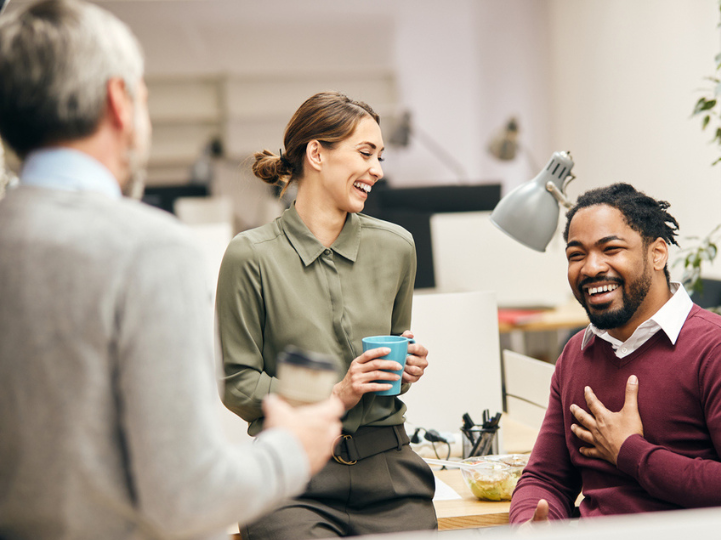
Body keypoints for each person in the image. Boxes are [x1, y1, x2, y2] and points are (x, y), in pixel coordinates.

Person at [0, 2, 345, 539]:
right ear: (119, 101)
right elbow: (187, 498)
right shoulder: (151, 251)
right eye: (144, 96)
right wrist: (291, 450)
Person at [216, 91, 436, 539]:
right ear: (316, 153)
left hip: (390, 471)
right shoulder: (251, 256)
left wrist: (405, 367)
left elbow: (391, 361)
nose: (377, 169)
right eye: (365, 152)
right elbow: (238, 383)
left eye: (380, 156)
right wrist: (336, 395)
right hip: (291, 478)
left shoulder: (397, 247)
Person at [508, 184, 721, 524]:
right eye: (576, 255)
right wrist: (530, 525)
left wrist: (630, 452)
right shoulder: (577, 354)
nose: (591, 267)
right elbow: (545, 478)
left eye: (611, 248)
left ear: (657, 254)